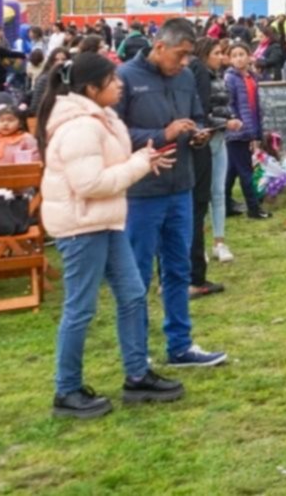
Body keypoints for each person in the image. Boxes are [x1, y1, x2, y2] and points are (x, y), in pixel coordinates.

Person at [39, 52, 186, 418]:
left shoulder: (101, 119)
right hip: (81, 227)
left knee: (134, 295)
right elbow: (89, 184)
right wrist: (138, 165)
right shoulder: (79, 127)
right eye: (113, 80)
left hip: (106, 222)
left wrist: (142, 159)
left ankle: (137, 376)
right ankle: (67, 390)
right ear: (92, 88)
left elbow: (109, 166)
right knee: (81, 308)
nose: (121, 84)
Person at [115, 18, 228, 368]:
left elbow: (195, 115)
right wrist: (162, 134)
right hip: (142, 191)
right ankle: (137, 354)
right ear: (159, 46)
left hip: (181, 185)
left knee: (178, 269)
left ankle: (180, 345)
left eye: (188, 58)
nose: (184, 64)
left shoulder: (184, 77)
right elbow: (115, 135)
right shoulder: (125, 79)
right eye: (179, 56)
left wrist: (198, 132)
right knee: (138, 274)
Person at [187, 38, 235, 292]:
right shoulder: (199, 74)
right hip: (208, 137)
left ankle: (219, 241)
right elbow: (202, 111)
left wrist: (229, 119)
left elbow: (221, 105)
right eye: (217, 53)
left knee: (218, 193)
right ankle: (200, 248)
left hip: (219, 137)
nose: (222, 57)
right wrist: (223, 123)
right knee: (202, 197)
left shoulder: (217, 75)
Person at [223, 42, 271, 222]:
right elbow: (230, 105)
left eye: (241, 54)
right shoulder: (230, 78)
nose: (238, 58)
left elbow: (255, 108)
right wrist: (238, 125)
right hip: (237, 132)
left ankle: (225, 205)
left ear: (250, 56)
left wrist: (256, 133)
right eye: (234, 55)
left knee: (232, 171)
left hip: (249, 129)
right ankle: (253, 208)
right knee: (245, 172)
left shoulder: (252, 77)